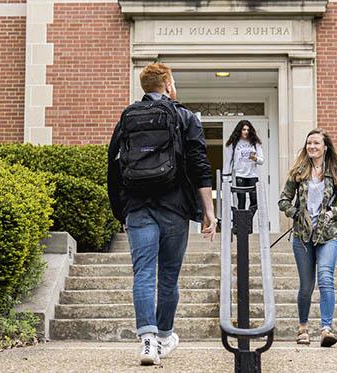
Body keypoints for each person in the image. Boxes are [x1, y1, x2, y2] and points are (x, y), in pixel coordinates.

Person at [107, 63, 217, 365]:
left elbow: (113, 167)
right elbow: (199, 166)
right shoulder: (185, 116)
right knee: (168, 277)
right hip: (174, 207)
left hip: (137, 207)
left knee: (143, 273)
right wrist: (208, 211)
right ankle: (165, 336)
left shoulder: (128, 117)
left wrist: (122, 211)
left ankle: (146, 340)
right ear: (168, 84)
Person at [278, 128, 337, 348]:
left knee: (326, 277)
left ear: (325, 147)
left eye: (316, 143)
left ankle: (326, 329)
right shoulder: (298, 172)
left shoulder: (335, 173)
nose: (312, 146)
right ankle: (302, 328)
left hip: (327, 234)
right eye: (309, 143)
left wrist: (331, 213)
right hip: (302, 236)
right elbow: (283, 201)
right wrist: (297, 214)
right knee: (306, 286)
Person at [222, 120, 264, 212]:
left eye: (248, 130)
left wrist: (255, 158)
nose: (246, 132)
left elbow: (261, 161)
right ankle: (242, 224)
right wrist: (225, 179)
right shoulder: (233, 143)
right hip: (239, 175)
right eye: (244, 129)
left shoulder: (255, 143)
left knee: (255, 201)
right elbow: (228, 161)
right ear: (239, 130)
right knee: (241, 202)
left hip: (252, 175)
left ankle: (248, 219)